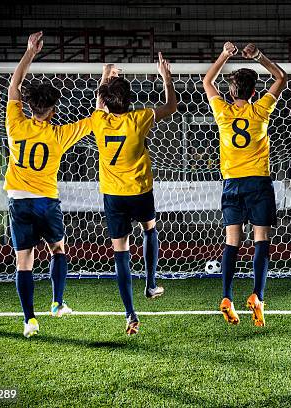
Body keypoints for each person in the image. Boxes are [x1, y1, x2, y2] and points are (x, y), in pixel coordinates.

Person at [5, 31, 93, 337]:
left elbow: (14, 85)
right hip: (45, 201)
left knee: (24, 261)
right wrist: (106, 80)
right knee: (58, 249)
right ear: (53, 110)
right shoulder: (58, 136)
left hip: (18, 199)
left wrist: (30, 52)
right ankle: (56, 303)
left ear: (30, 107)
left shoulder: (15, 124)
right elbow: (94, 119)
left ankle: (29, 319)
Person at [202, 42, 287, 327]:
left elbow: (206, 81)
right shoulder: (261, 109)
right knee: (261, 238)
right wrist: (260, 56)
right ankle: (257, 297)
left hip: (232, 184)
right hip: (259, 183)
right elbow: (281, 78)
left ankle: (227, 296)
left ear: (230, 92)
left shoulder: (223, 113)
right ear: (254, 93)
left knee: (232, 241)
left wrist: (225, 55)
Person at [93, 53, 177, 335]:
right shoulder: (140, 118)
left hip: (114, 196)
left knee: (121, 253)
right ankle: (151, 284)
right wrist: (165, 76)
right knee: (150, 230)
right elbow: (171, 106)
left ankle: (130, 315)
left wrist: (106, 74)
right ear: (130, 101)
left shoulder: (98, 121)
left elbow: (99, 103)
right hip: (140, 191)